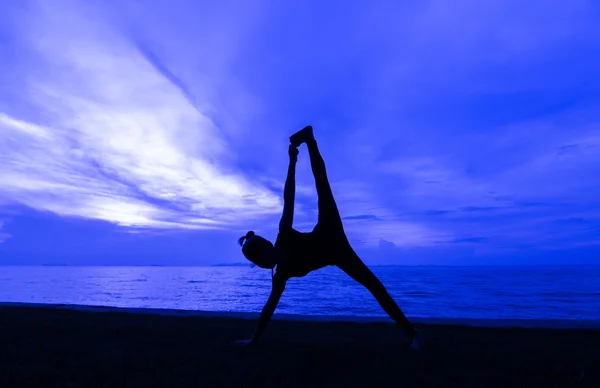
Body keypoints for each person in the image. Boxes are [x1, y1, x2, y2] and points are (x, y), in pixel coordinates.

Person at [234, 125, 424, 350]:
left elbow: (289, 196)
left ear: (266, 246)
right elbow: (269, 308)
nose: (262, 264)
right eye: (257, 263)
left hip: (329, 232)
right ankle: (412, 333)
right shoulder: (280, 275)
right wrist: (254, 340)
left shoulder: (283, 235)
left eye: (260, 258)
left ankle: (310, 140)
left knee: (322, 184)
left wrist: (292, 162)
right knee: (374, 286)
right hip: (337, 254)